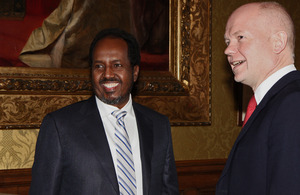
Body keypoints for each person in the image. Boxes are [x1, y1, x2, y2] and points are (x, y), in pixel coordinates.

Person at [29, 28, 179, 195]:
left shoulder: (159, 126)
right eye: (99, 66)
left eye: (117, 65)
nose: (107, 74)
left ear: (135, 72)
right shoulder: (59, 126)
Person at [216, 2, 300, 194]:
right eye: (228, 41)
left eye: (240, 37)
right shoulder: (273, 101)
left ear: (278, 42)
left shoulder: (293, 103)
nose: (228, 50)